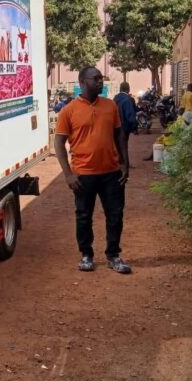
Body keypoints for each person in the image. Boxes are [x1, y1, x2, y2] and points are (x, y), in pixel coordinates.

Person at [55, 66, 131, 274]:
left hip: (111, 173)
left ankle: (113, 255)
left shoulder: (110, 106)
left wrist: (125, 162)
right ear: (82, 82)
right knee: (83, 215)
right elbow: (59, 143)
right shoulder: (68, 111)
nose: (100, 82)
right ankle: (86, 255)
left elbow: (119, 136)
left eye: (101, 79)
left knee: (115, 214)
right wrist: (68, 174)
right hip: (83, 175)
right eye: (96, 79)